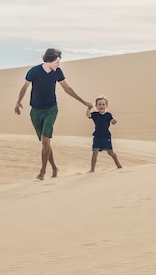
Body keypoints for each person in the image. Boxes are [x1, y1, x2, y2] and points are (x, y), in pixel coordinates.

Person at [15, 48, 92, 180]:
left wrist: (83, 102)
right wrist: (18, 102)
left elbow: (67, 89)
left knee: (46, 140)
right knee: (45, 143)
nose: (59, 64)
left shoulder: (58, 72)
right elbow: (24, 87)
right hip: (35, 111)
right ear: (49, 61)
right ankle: (55, 168)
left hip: (51, 109)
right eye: (56, 62)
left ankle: (42, 172)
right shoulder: (34, 71)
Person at [86, 95, 122, 172]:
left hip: (106, 136)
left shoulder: (108, 114)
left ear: (106, 105)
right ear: (96, 106)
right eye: (99, 104)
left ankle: (119, 165)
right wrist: (88, 109)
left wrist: (114, 121)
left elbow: (112, 121)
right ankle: (92, 169)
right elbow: (88, 115)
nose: (101, 106)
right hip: (97, 136)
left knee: (110, 152)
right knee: (95, 152)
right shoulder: (95, 114)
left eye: (103, 104)